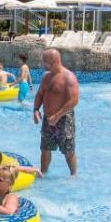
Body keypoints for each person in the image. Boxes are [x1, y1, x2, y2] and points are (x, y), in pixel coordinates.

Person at [33, 47, 79, 177]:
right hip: (48, 119)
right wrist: (36, 109)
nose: (42, 63)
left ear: (53, 61)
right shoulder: (46, 76)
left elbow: (74, 100)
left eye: (44, 61)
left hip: (64, 119)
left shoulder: (68, 77)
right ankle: (43, 173)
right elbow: (40, 93)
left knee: (68, 150)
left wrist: (57, 116)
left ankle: (73, 175)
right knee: (45, 148)